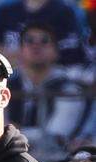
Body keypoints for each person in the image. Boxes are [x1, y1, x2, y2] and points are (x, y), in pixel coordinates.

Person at [7, 23, 89, 153]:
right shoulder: (6, 85)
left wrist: (13, 132)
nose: (36, 45)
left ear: (56, 52)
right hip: (11, 158)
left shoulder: (69, 89)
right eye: (29, 40)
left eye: (45, 40)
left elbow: (56, 136)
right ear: (20, 51)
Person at [0, 0, 88, 67]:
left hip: (56, 77)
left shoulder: (64, 12)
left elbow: (70, 54)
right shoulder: (6, 11)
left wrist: (29, 57)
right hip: (11, 74)